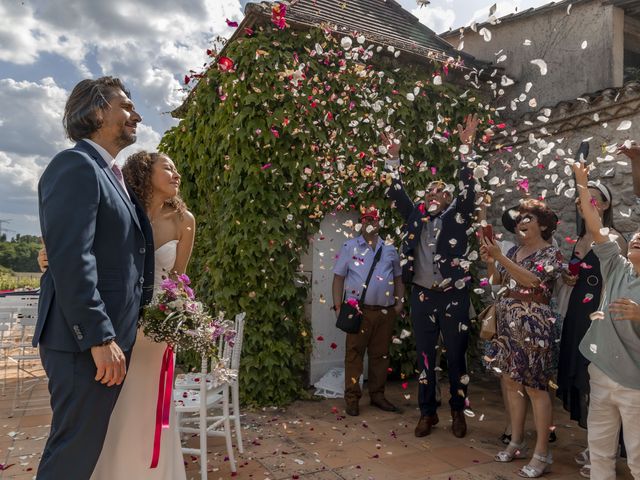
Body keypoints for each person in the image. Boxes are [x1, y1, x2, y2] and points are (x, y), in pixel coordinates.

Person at [38, 151, 195, 478]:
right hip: (116, 323)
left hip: (157, 331)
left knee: (147, 407)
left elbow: (179, 277)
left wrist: (179, 314)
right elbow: (79, 248)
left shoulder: (185, 221)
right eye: (168, 167)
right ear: (144, 172)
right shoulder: (121, 210)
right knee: (111, 407)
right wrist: (48, 256)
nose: (176, 174)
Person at [34, 77, 154, 480]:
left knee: (81, 451)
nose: (136, 114)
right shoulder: (75, 165)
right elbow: (72, 258)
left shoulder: (108, 173)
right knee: (71, 455)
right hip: (81, 344)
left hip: (102, 341)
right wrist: (100, 337)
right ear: (97, 110)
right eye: (126, 106)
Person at [383, 114, 480, 438]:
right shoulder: (415, 217)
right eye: (429, 193)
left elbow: (468, 190)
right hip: (422, 295)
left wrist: (466, 149)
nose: (433, 195)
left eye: (440, 192)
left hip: (454, 294)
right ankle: (428, 413)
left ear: (449, 201)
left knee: (456, 358)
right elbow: (397, 193)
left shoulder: (459, 216)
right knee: (425, 359)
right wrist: (393, 157)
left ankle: (457, 411)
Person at [480, 199, 563, 478]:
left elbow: (533, 282)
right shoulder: (514, 250)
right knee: (511, 382)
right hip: (507, 321)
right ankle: (517, 441)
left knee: (535, 387)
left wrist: (500, 257)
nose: (521, 222)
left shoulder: (552, 253)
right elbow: (497, 282)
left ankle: (543, 452)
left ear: (543, 224)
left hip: (533, 325)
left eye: (528, 217)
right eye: (519, 219)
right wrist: (492, 261)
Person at [573, 162, 640, 480]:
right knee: (599, 455)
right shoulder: (615, 265)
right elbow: (593, 223)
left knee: (638, 461)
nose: (638, 236)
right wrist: (582, 184)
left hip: (635, 385)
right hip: (601, 373)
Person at [556, 180, 626, 478]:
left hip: (600, 317)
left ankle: (608, 450)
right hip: (576, 314)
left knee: (601, 383)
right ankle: (595, 444)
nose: (586, 204)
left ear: (607, 206)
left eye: (594, 199)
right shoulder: (579, 239)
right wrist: (569, 279)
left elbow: (622, 278)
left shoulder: (614, 239)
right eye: (584, 199)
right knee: (583, 381)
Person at [332, 206, 404, 416]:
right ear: (361, 222)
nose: (370, 222)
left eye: (373, 219)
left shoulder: (390, 249)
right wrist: (338, 307)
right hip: (359, 312)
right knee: (354, 355)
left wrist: (398, 305)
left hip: (384, 312)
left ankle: (378, 395)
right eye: (366, 219)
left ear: (380, 222)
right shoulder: (349, 246)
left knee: (380, 356)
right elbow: (338, 278)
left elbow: (399, 278)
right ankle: (352, 398)